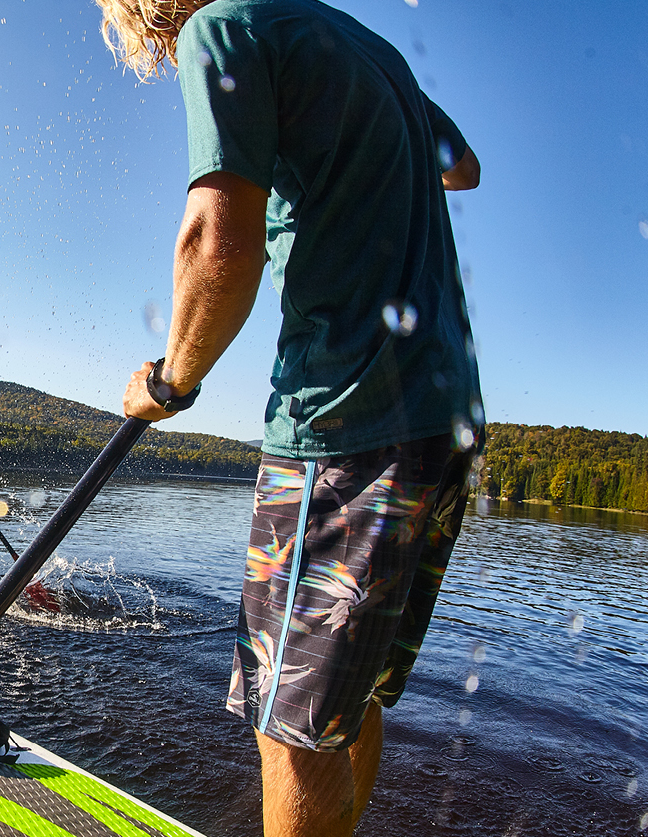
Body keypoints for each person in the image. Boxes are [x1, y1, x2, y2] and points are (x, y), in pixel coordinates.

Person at [100, 2, 483, 836]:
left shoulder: (224, 28)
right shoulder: (361, 44)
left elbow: (218, 246)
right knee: (351, 701)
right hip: (445, 416)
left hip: (346, 420)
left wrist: (167, 385)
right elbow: (464, 166)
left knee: (293, 728)